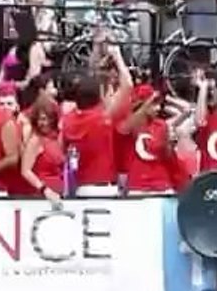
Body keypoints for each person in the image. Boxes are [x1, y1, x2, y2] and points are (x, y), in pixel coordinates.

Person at [60, 42, 133, 198]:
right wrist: (118, 57)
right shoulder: (102, 118)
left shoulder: (67, 120)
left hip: (80, 188)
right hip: (104, 188)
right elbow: (128, 85)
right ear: (99, 96)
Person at [20, 97, 65, 202]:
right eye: (41, 119)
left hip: (60, 194)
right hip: (41, 196)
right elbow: (25, 171)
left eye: (48, 118)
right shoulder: (35, 140)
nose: (45, 123)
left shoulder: (56, 139)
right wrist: (44, 189)